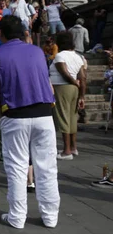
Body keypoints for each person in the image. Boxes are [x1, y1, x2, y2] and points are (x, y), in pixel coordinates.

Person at [0, 15, 60, 229]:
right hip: (45, 113)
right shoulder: (38, 52)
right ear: (25, 32)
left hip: (14, 114)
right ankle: (50, 216)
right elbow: (49, 84)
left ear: (1, 34)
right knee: (47, 167)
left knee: (16, 167)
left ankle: (17, 217)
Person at [49, 32, 86, 160]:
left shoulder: (60, 56)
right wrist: (82, 94)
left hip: (62, 87)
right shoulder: (77, 56)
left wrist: (72, 81)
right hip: (74, 89)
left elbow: (64, 72)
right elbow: (82, 76)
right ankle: (73, 147)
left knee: (63, 116)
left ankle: (67, 151)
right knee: (72, 117)